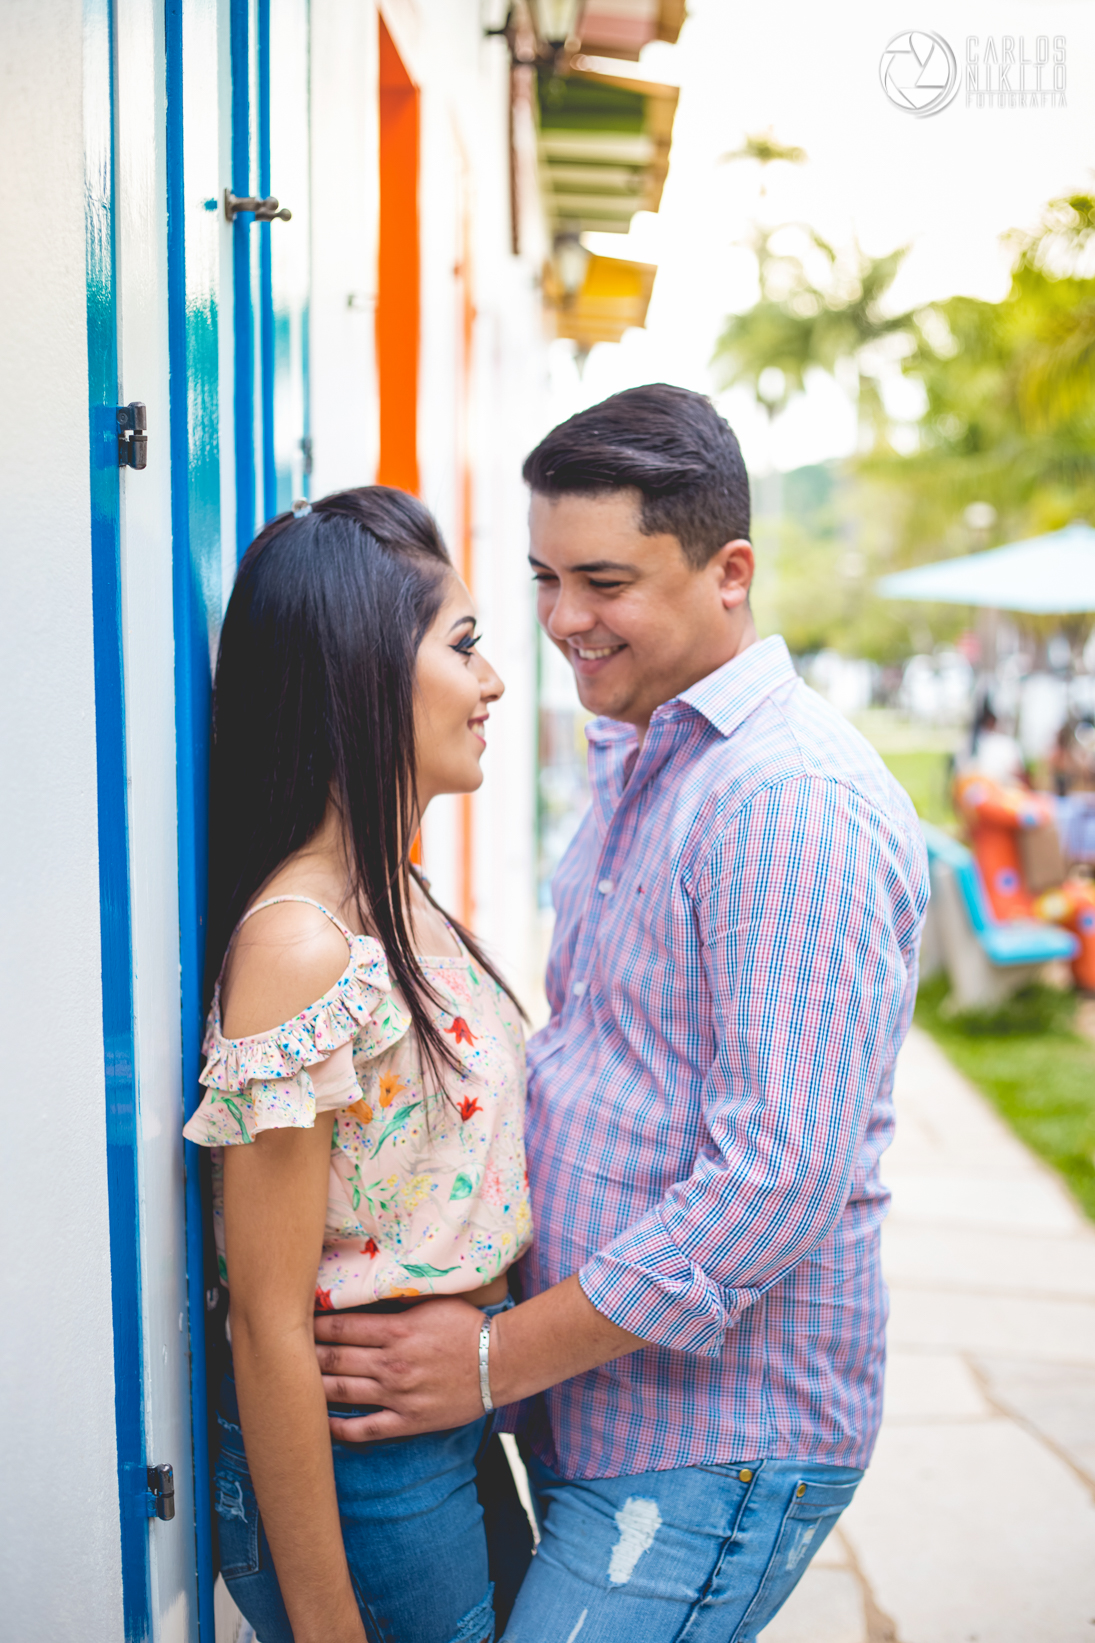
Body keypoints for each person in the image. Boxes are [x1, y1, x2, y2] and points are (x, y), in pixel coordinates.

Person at [315, 386, 931, 1641]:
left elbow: (773, 1179)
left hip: (716, 1437)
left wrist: (489, 1359)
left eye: (604, 581)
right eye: (545, 579)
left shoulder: (787, 802)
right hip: (605, 1402)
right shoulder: (653, 751)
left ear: (730, 572)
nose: (561, 621)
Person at [184, 487, 533, 1643]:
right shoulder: (301, 947)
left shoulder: (396, 892)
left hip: (446, 1431)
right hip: (370, 1480)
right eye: (464, 644)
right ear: (363, 673)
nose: (493, 681)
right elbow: (266, 1321)